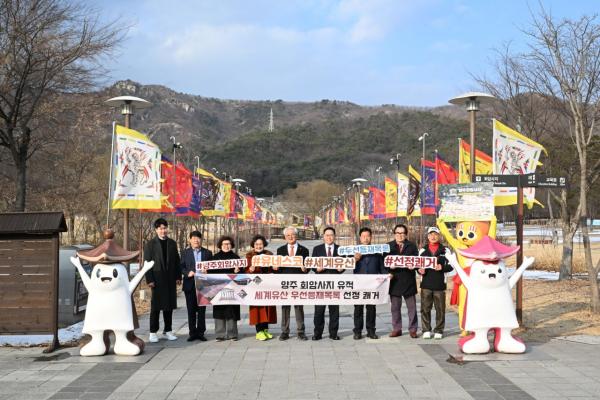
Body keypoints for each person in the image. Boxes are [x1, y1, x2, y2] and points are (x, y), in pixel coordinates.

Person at [144, 218, 181, 343]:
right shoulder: (150, 244)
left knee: (168, 306)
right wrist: (149, 279)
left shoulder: (172, 243)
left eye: (165, 228)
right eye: (160, 228)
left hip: (170, 278)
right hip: (156, 279)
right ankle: (153, 332)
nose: (163, 230)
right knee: (156, 307)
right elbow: (147, 263)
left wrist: (178, 276)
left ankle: (168, 330)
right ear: (156, 230)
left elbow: (176, 261)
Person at [418, 227, 452, 339]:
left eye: (435, 234)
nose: (433, 237)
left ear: (439, 236)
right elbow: (418, 265)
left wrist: (442, 267)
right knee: (425, 308)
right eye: (431, 234)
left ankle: (439, 330)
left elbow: (451, 266)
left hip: (440, 285)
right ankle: (426, 330)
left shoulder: (445, 251)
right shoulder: (422, 251)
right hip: (426, 284)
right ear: (427, 237)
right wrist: (419, 270)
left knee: (440, 309)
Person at [276, 226, 309, 341]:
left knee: (299, 307)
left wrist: (305, 269)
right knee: (285, 308)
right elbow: (278, 268)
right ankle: (284, 332)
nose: (290, 237)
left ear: (296, 235)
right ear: (285, 237)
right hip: (285, 283)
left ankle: (301, 331)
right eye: (288, 235)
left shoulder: (304, 250)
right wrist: (276, 268)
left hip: (298, 282)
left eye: (292, 234)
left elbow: (308, 267)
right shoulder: (280, 250)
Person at [386, 223, 419, 338]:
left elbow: (417, 261)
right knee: (395, 308)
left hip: (408, 280)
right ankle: (397, 328)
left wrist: (413, 266)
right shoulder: (388, 246)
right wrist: (389, 268)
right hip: (394, 281)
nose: (400, 235)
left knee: (412, 308)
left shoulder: (412, 246)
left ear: (406, 234)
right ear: (394, 234)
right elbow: (383, 263)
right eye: (398, 233)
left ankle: (413, 329)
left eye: (402, 233)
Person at [312, 227, 344, 340]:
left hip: (335, 283)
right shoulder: (317, 249)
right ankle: (317, 333)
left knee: (334, 310)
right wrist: (317, 269)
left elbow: (344, 263)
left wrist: (341, 269)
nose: (329, 237)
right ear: (323, 236)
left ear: (334, 236)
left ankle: (333, 333)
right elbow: (312, 265)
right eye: (327, 235)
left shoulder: (340, 249)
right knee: (319, 310)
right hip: (321, 283)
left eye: (331, 235)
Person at [353, 227, 386, 340]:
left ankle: (371, 331)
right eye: (363, 236)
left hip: (372, 284)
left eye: (368, 236)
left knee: (371, 308)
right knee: (358, 308)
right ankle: (357, 331)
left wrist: (387, 275)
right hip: (358, 283)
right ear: (360, 238)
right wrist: (355, 259)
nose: (366, 238)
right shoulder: (354, 250)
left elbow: (382, 267)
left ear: (371, 237)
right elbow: (345, 265)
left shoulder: (376, 251)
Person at [180, 230, 212, 342]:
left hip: (203, 285)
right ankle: (192, 333)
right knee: (191, 310)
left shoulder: (207, 253)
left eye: (198, 238)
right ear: (190, 240)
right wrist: (187, 273)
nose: (196, 240)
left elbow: (211, 267)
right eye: (193, 238)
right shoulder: (185, 253)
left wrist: (208, 271)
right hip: (189, 284)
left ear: (201, 240)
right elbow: (181, 267)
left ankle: (201, 332)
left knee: (202, 310)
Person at [209, 236, 242, 341]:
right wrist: (206, 272)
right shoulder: (215, 258)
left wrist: (238, 271)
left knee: (232, 310)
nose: (226, 246)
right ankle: (220, 334)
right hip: (218, 288)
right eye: (224, 244)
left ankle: (233, 334)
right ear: (220, 245)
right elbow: (210, 273)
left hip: (233, 288)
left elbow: (243, 275)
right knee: (219, 310)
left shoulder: (236, 257)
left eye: (228, 244)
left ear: (231, 245)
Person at [245, 234, 277, 341]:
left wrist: (274, 269)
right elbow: (245, 271)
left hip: (267, 285)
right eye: (257, 244)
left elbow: (274, 269)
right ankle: (259, 331)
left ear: (264, 244)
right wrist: (251, 269)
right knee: (258, 309)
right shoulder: (249, 256)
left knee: (268, 308)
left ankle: (265, 330)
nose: (259, 246)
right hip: (255, 285)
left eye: (261, 244)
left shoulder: (269, 254)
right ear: (253, 245)